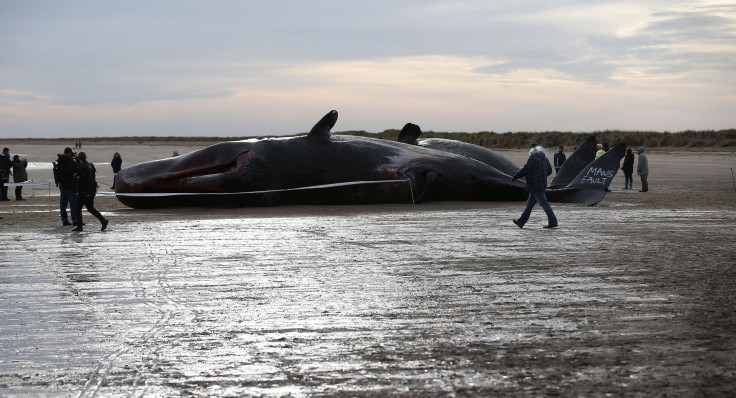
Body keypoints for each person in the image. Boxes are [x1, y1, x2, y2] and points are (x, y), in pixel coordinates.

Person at [511, 144, 558, 229]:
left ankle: (553, 221)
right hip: (540, 185)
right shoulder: (545, 159)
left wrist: (515, 177)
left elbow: (525, 170)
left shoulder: (533, 159)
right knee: (529, 205)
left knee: (544, 204)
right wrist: (542, 176)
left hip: (535, 186)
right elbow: (550, 171)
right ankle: (521, 222)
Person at [72, 152, 108, 232]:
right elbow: (92, 176)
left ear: (80, 158)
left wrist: (76, 177)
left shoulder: (82, 167)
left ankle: (80, 226)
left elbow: (83, 178)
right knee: (91, 208)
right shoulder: (90, 165)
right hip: (91, 190)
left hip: (84, 192)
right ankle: (103, 220)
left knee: (78, 208)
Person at [55, 148, 80, 226]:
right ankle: (75, 220)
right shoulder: (71, 161)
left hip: (62, 186)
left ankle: (64, 220)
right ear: (70, 153)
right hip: (71, 185)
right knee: (73, 205)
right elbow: (78, 168)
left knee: (63, 205)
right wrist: (76, 158)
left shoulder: (60, 161)